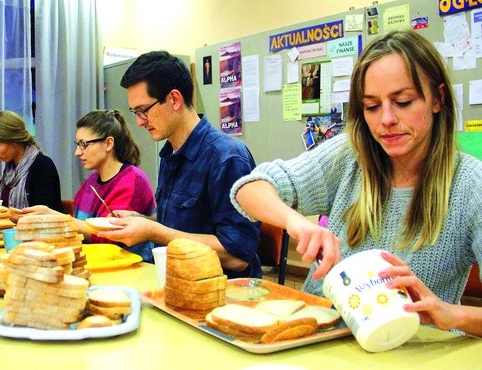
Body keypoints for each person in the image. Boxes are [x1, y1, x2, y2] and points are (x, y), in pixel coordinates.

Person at [230, 30, 482, 335]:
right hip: (319, 342)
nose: (386, 119)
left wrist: (451, 314)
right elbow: (249, 188)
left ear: (438, 99)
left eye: (403, 102)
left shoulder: (471, 185)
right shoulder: (351, 156)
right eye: (372, 107)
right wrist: (297, 223)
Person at [97, 50, 262, 279]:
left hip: (219, 296)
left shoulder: (227, 158)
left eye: (143, 110)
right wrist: (141, 221)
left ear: (174, 99)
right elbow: (179, 225)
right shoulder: (170, 155)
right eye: (135, 112)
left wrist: (154, 231)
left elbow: (237, 256)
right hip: (175, 284)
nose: (139, 121)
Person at [23, 109, 156, 261]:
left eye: (83, 144)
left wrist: (54, 217)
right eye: (77, 145)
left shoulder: (133, 180)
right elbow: (79, 233)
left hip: (130, 271)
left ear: (108, 143)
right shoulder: (91, 182)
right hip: (96, 265)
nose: (77, 153)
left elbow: (109, 238)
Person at [0, 110, 63, 212]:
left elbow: (42, 213)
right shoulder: (11, 167)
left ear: (14, 141)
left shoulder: (42, 166)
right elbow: (7, 191)